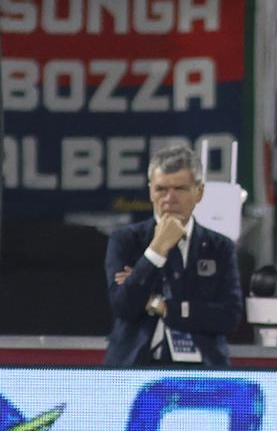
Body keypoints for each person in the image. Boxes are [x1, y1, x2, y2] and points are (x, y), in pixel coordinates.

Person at [104, 145, 243, 367]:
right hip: (135, 366)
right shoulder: (126, 240)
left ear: (199, 192)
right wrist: (156, 250)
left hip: (203, 368)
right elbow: (123, 305)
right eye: (161, 189)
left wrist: (161, 305)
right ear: (150, 192)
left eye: (180, 188)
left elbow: (229, 316)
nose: (169, 198)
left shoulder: (220, 247)